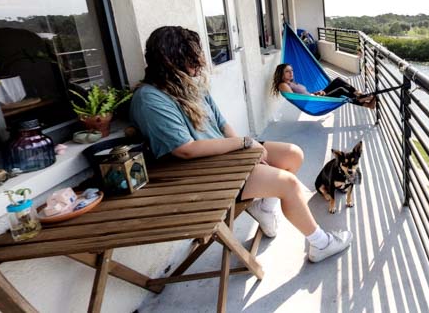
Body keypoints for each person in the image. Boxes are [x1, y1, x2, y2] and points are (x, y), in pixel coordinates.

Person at [130, 26, 351, 263]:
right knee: (287, 184)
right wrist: (245, 144)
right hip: (199, 172)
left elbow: (223, 124)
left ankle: (264, 209)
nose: (199, 65)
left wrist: (247, 149)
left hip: (222, 157)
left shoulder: (191, 86)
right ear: (172, 60)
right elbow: (185, 149)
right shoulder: (150, 98)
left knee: (292, 154)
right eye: (191, 59)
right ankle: (320, 244)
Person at [272, 63, 376, 110]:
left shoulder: (291, 82)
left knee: (338, 81)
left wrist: (316, 93)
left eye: (292, 70)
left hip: (314, 96)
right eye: (287, 71)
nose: (291, 73)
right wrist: (315, 96)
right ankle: (363, 100)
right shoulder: (283, 85)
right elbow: (296, 98)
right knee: (340, 90)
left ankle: (359, 95)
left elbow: (303, 94)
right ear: (281, 74)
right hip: (314, 101)